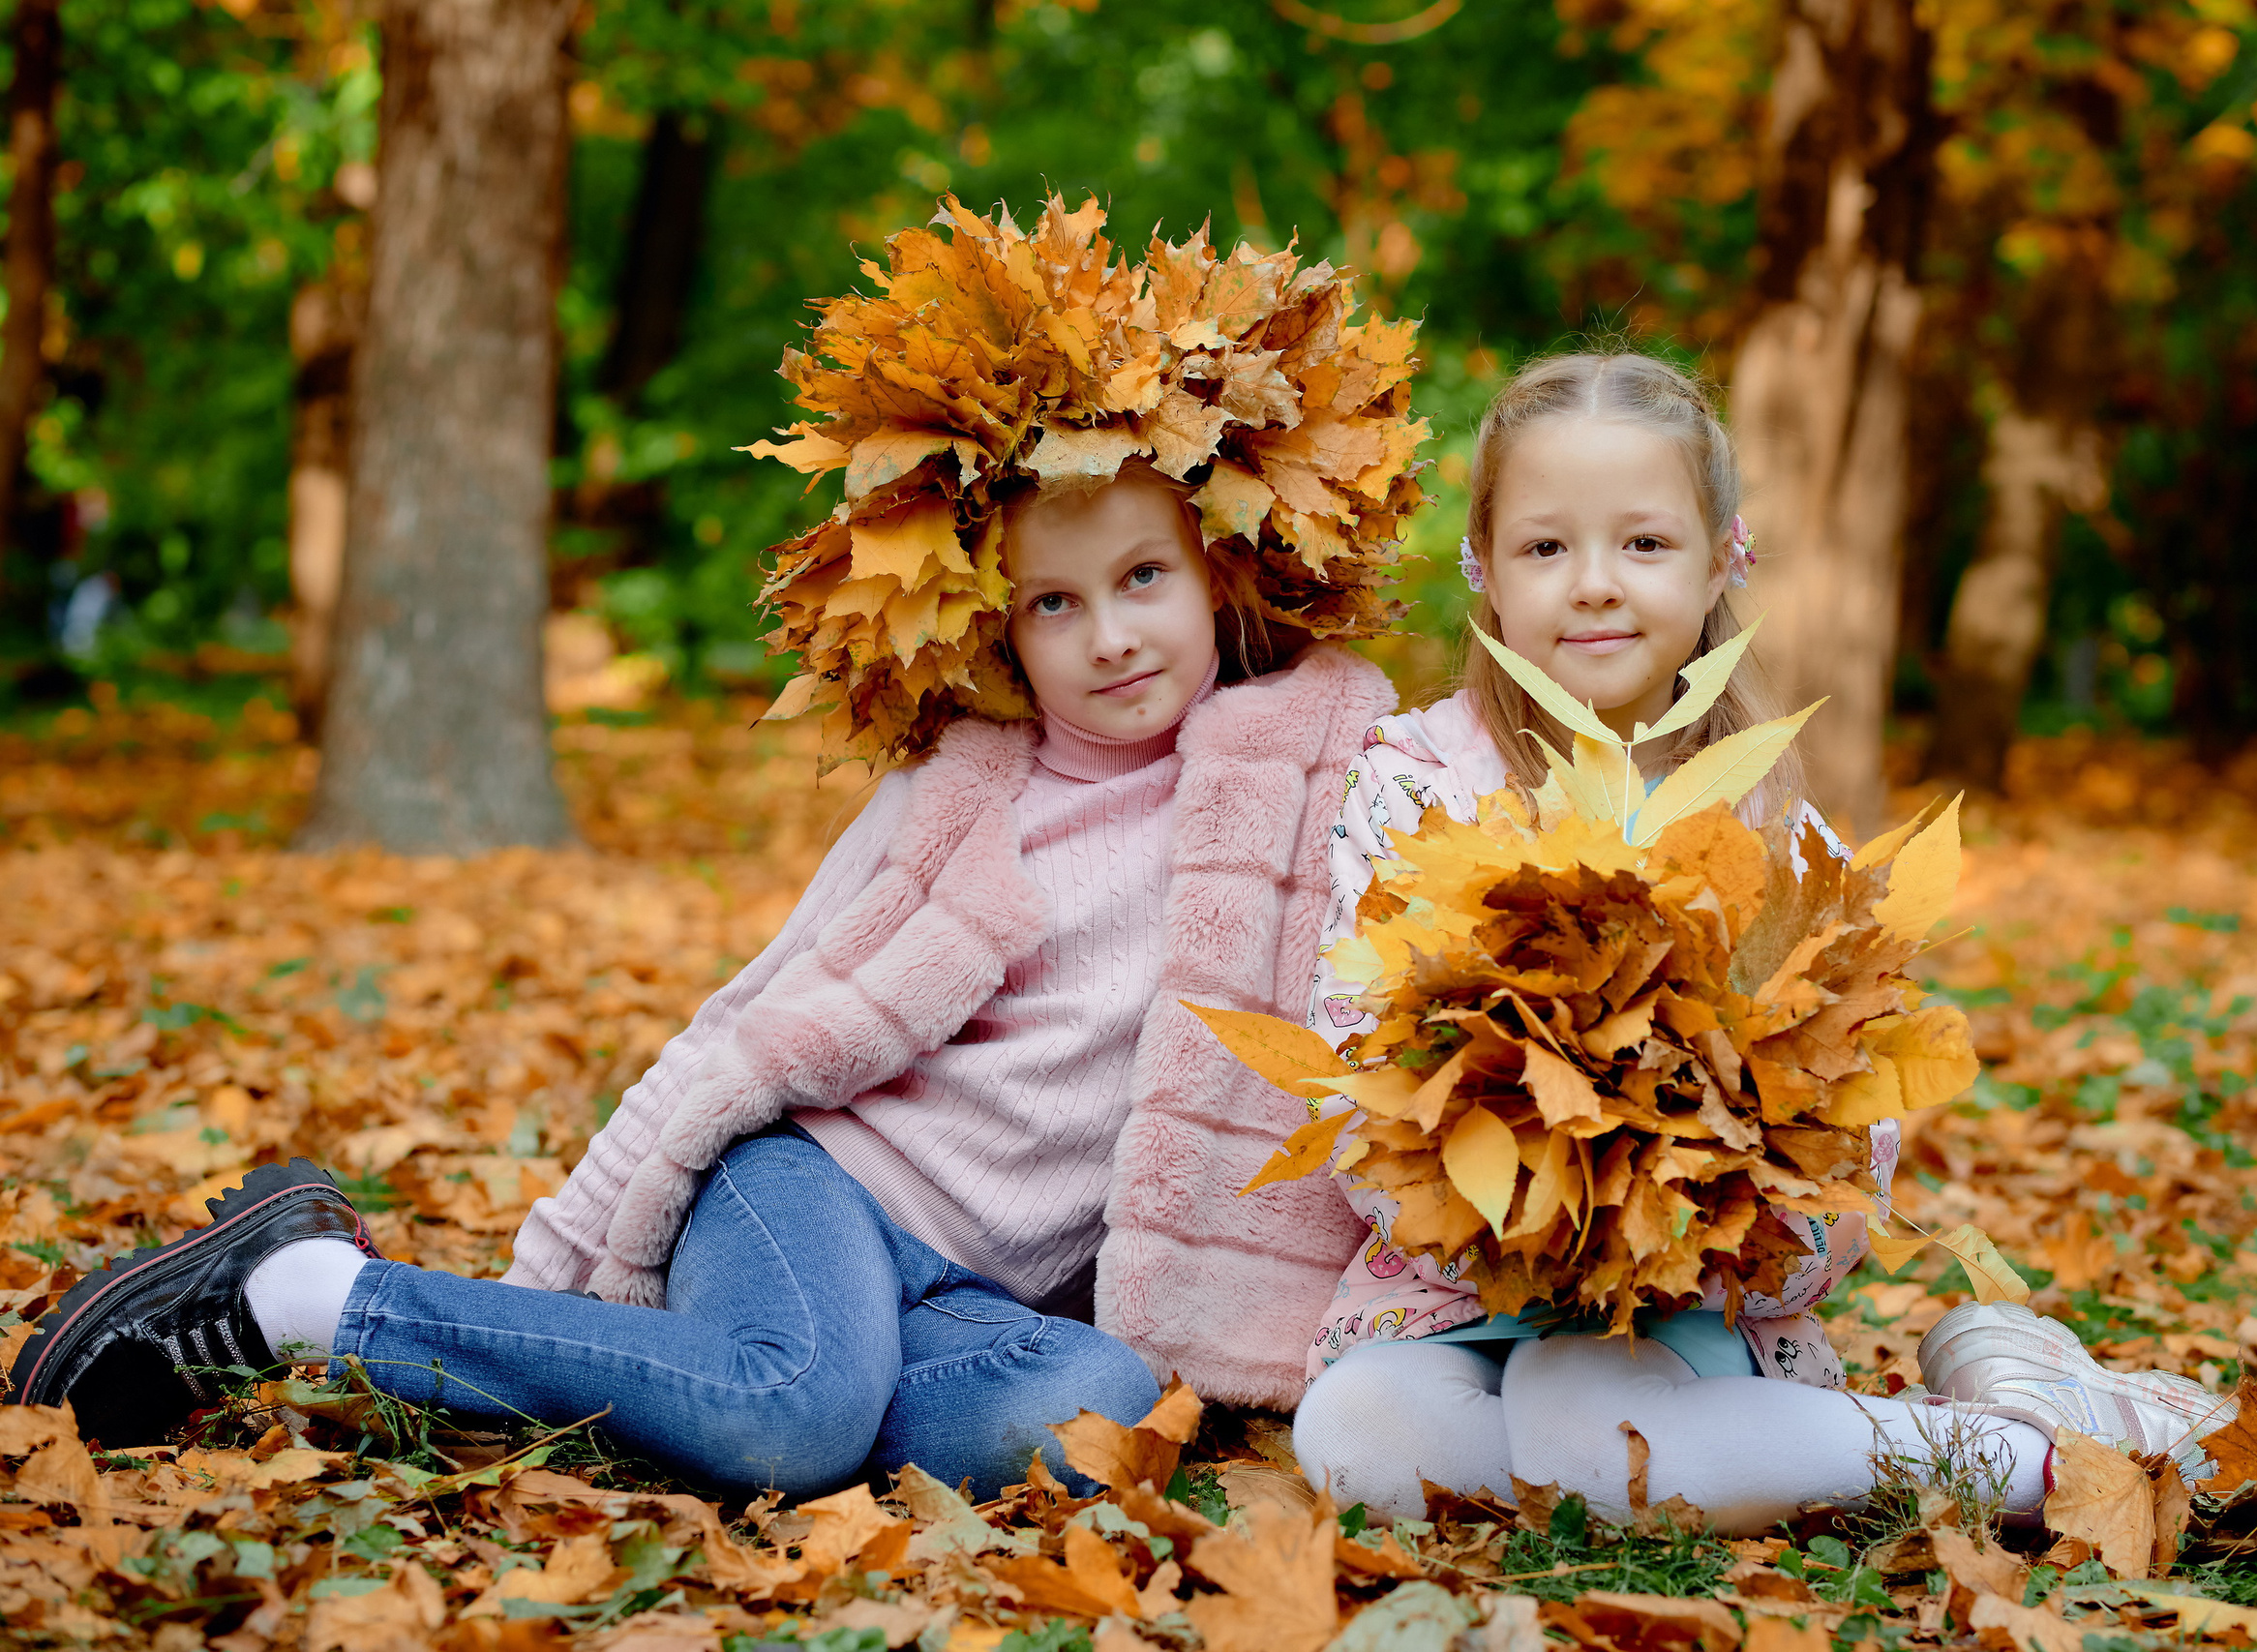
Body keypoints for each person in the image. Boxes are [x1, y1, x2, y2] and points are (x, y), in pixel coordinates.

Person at [10, 198, 1419, 1503]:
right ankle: (309, 1291)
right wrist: (565, 1258)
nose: (1109, 633)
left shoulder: (1305, 779)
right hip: (808, 1187)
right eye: (1055, 602)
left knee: (1095, 1413)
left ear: (1219, 570)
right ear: (1000, 627)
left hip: (982, 1296)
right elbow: (759, 1005)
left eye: (1142, 580)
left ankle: (713, 1391)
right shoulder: (969, 793)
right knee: (798, 1408)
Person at [1288, 350, 2237, 1534]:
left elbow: (1851, 1121)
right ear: (1481, 566)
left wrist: (1717, 1218)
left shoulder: (1772, 828)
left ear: (1718, 556)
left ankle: (2046, 1463)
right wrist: (1523, 1207)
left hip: (1691, 1301)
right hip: (1459, 1288)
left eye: (1641, 544)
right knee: (1356, 1443)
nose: (1592, 585)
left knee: (1588, 1412)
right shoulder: (1413, 788)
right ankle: (1717, 1467)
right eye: (1545, 547)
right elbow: (1353, 1064)